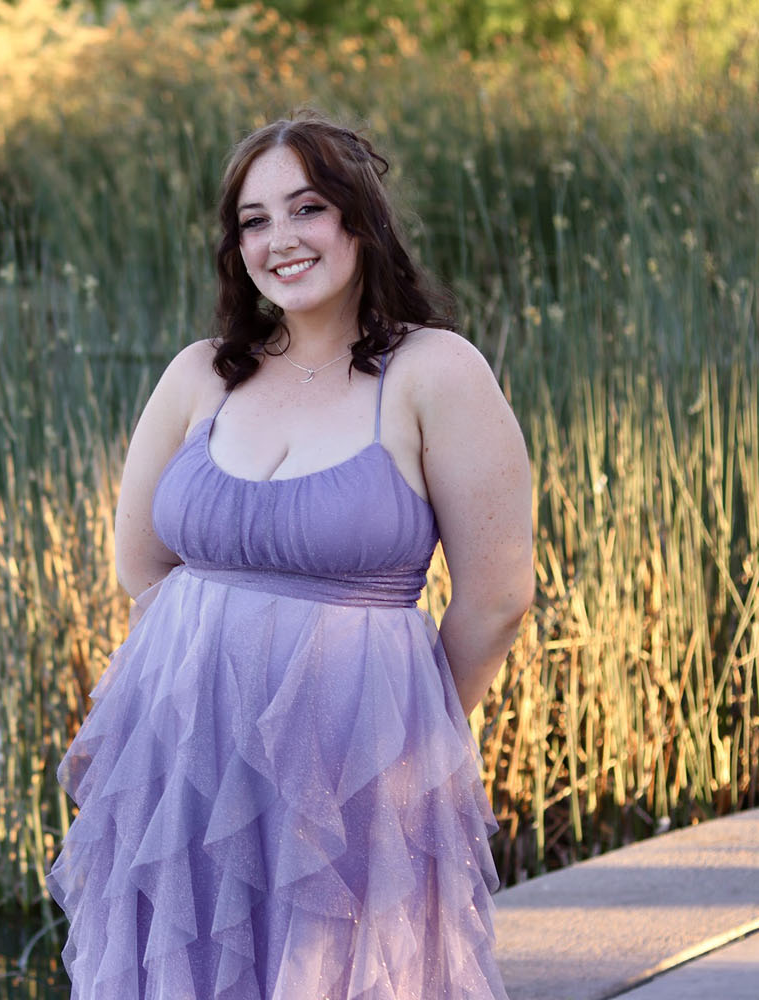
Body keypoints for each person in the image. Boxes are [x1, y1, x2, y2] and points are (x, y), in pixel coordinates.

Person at [46, 112, 534, 999]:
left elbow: (498, 598)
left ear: (359, 220)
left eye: (305, 209)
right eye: (254, 220)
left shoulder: (432, 371)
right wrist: (202, 694)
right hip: (186, 756)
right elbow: (141, 567)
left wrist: (400, 731)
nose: (280, 240)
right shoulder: (201, 374)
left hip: (355, 762)